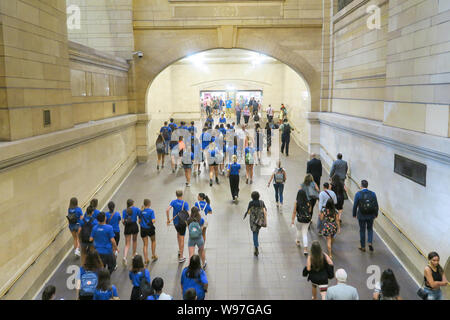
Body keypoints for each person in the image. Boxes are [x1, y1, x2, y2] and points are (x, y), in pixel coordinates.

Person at [352, 180, 378, 252]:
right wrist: (376, 214)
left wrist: (354, 214)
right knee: (370, 229)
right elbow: (376, 205)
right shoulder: (373, 194)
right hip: (370, 215)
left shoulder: (358, 194)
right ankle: (369, 242)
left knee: (362, 230)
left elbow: (355, 205)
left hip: (361, 215)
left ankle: (363, 247)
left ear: (361, 186)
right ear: (367, 186)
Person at [166, 190, 190, 263]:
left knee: (178, 234)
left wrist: (168, 219)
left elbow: (167, 210)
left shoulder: (173, 202)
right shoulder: (185, 203)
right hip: (182, 223)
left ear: (176, 195)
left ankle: (180, 250)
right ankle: (181, 256)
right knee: (182, 238)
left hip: (175, 222)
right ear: (182, 195)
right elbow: (189, 213)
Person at [244, 191, 268, 257]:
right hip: (260, 220)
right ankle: (256, 244)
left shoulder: (251, 203)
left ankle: (256, 246)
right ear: (259, 196)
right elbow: (265, 209)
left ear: (252, 197)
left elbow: (248, 211)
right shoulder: (261, 202)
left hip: (253, 220)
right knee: (257, 232)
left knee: (254, 233)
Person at [291, 189, 311, 256]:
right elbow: (309, 210)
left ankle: (298, 241)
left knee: (299, 230)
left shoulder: (296, 202)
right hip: (307, 220)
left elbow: (294, 212)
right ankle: (305, 249)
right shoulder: (308, 202)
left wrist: (292, 221)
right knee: (305, 233)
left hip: (299, 219)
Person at [122, 199, 140, 267]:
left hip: (127, 227)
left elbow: (123, 221)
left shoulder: (124, 211)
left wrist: (125, 224)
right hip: (134, 226)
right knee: (134, 240)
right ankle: (133, 254)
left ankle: (124, 257)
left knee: (127, 244)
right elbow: (140, 215)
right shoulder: (136, 209)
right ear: (132, 203)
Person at [139, 199, 157, 266]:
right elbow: (153, 220)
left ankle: (146, 259)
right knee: (153, 241)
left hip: (143, 229)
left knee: (145, 244)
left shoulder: (141, 211)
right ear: (149, 204)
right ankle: (153, 255)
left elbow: (139, 221)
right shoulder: (151, 211)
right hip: (150, 229)